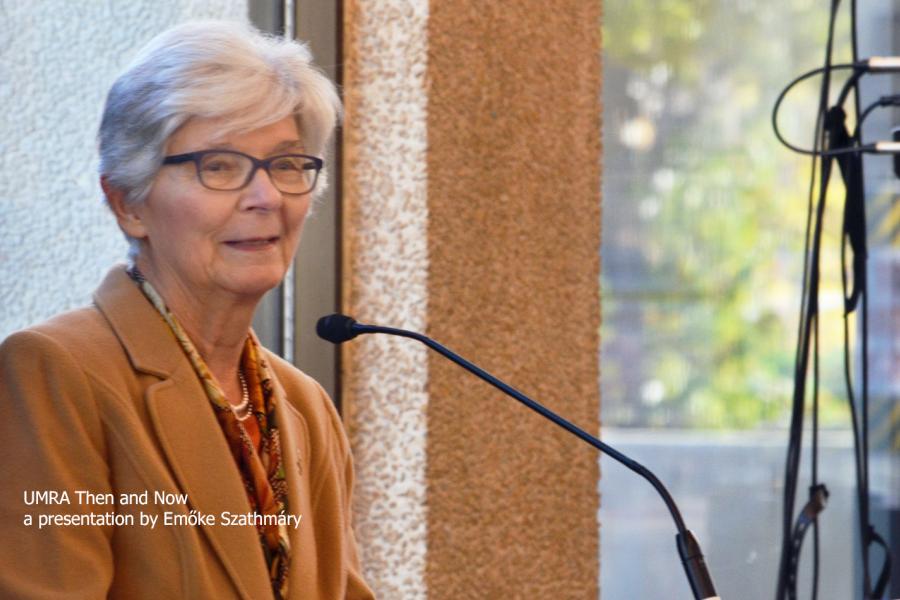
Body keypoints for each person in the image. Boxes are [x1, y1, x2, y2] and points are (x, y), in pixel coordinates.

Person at [0, 20, 374, 600]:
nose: (266, 197)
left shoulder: (305, 407)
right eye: (219, 166)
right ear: (127, 203)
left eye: (285, 164)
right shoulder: (54, 373)